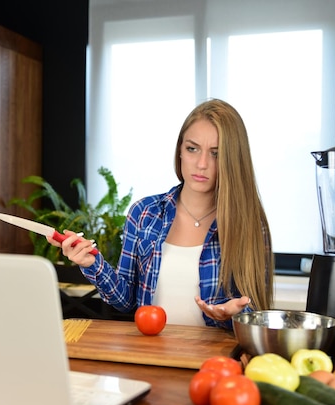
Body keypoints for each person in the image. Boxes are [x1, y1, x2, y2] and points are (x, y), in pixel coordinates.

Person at [49, 98, 274, 329]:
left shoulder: (250, 224)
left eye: (216, 153)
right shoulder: (144, 213)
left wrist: (234, 313)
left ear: (233, 159)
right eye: (192, 149)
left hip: (215, 360)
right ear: (180, 151)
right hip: (154, 355)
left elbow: (257, 311)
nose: (201, 163)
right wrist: (91, 263)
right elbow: (126, 302)